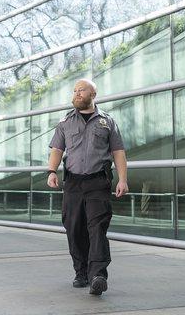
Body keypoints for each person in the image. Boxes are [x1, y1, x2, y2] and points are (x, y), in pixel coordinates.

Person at [47, 78, 128, 296]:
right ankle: (81, 271)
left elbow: (118, 152)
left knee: (97, 227)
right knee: (74, 228)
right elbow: (56, 149)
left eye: (81, 90)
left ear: (93, 93)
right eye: (74, 91)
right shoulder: (65, 122)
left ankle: (98, 275)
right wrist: (52, 171)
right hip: (73, 182)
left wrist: (122, 179)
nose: (76, 93)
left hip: (98, 182)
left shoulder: (107, 122)